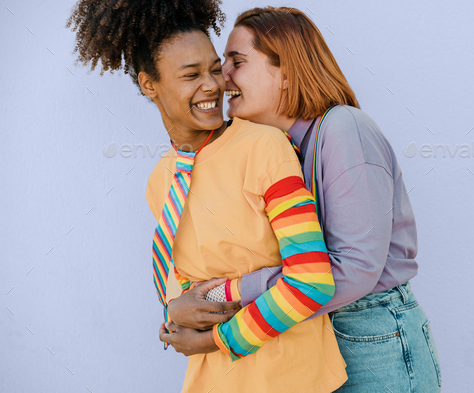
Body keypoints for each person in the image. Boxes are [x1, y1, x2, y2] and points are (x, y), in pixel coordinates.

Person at [66, 1, 348, 392]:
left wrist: (219, 338)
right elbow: (183, 284)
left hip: (292, 378)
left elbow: (313, 280)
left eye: (215, 68)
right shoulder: (160, 181)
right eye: (191, 75)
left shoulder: (264, 147)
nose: (214, 85)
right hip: (212, 380)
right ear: (150, 85)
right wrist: (174, 309)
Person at [170, 6, 442, 393]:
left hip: (369, 331)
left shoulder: (344, 129)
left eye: (237, 61)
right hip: (311, 333)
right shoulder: (276, 149)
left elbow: (356, 269)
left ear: (285, 72)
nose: (221, 77)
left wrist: (231, 293)